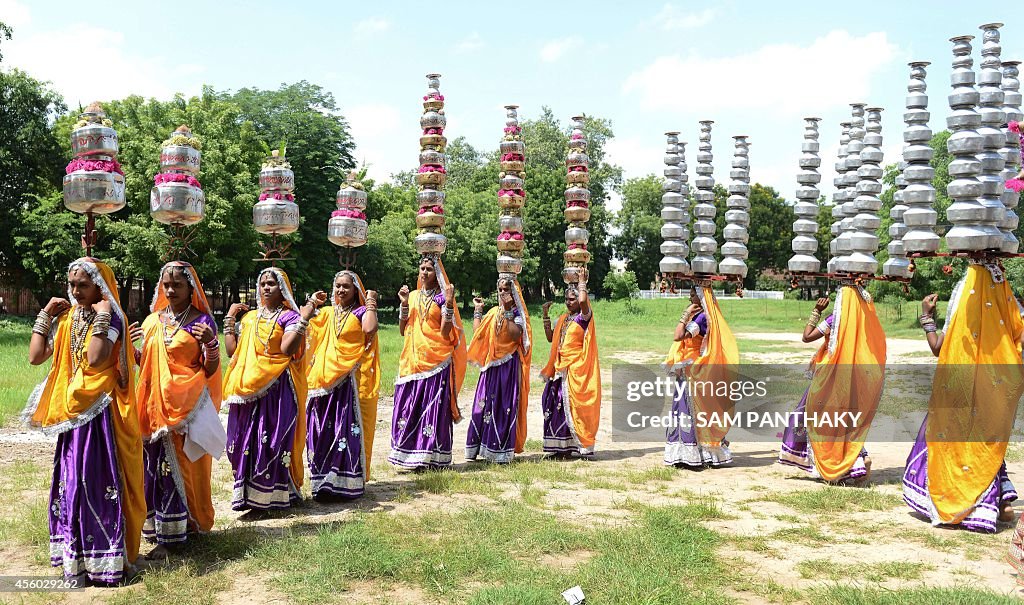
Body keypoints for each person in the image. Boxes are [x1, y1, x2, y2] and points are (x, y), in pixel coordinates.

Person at [25, 258, 145, 584]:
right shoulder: (67, 319)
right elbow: (36, 356)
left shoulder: (113, 318)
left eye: (84, 285)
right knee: (73, 483)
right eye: (73, 284)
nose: (76, 291)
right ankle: (76, 558)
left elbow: (95, 357)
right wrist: (46, 314)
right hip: (73, 416)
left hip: (101, 415)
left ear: (99, 286)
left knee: (98, 483)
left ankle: (108, 559)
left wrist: (105, 313)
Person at [905, 262, 1023, 532]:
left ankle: (968, 502)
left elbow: (937, 347)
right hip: (992, 394)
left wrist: (926, 317)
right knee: (983, 444)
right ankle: (997, 500)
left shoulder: (963, 307)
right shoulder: (1008, 309)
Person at [132, 261, 224, 559]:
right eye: (166, 285)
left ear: (191, 288)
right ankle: (159, 528)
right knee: (153, 468)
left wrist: (210, 343)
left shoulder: (202, 321)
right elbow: (146, 365)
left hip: (186, 407)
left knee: (182, 467)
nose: (170, 290)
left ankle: (181, 532)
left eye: (178, 285)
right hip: (153, 407)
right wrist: (133, 350)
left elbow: (210, 369)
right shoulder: (151, 322)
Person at [222, 267, 323, 511]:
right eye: (263, 283)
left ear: (283, 289)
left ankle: (276, 496)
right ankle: (247, 494)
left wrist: (304, 317)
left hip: (277, 389)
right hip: (247, 390)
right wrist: (229, 318)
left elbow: (287, 350)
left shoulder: (289, 317)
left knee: (274, 440)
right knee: (244, 441)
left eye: (272, 284)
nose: (266, 287)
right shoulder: (249, 319)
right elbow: (231, 352)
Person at [782, 283, 884, 484]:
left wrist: (816, 311)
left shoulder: (834, 320)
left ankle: (832, 465)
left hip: (830, 377)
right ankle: (858, 459)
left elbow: (807, 337)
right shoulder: (866, 318)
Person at [305, 270, 380, 499]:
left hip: (346, 382)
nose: (341, 290)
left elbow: (369, 329)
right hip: (321, 381)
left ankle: (345, 481)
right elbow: (303, 319)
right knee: (319, 432)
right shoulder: (326, 312)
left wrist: (370, 302)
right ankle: (322, 481)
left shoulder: (359, 312)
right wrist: (311, 302)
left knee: (344, 432)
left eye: (346, 286)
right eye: (338, 285)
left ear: (355, 289)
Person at [389, 256, 467, 469]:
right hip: (411, 361)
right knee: (409, 407)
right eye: (422, 268)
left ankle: (432, 456)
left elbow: (445, 331)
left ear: (438, 274)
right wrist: (404, 304)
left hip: (436, 361)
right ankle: (408, 454)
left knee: (432, 410)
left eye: (429, 269)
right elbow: (402, 329)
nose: (424, 273)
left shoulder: (442, 298)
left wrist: (450, 303)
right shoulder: (413, 296)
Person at [663, 285, 738, 468]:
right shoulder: (700, 317)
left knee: (693, 411)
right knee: (688, 410)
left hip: (695, 369)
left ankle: (699, 454)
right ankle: (690, 453)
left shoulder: (703, 317)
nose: (690, 299)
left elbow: (678, 335)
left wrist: (685, 313)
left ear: (701, 298)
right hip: (688, 368)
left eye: (692, 296)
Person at [466, 277, 532, 463]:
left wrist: (510, 310)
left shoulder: (517, 313)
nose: (503, 293)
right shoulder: (494, 312)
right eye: (500, 289)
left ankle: (500, 450)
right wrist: (478, 311)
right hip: (490, 366)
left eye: (507, 290)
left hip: (508, 366)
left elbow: (515, 334)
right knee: (483, 406)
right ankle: (480, 447)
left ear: (515, 293)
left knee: (503, 407)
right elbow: (479, 333)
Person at [540, 269, 600, 458]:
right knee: (555, 405)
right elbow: (551, 338)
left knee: (574, 408)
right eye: (566, 299)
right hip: (560, 368)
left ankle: (578, 445)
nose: (569, 302)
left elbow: (583, 301)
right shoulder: (564, 318)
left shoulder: (584, 318)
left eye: (572, 299)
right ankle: (559, 446)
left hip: (575, 369)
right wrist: (545, 315)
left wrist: (581, 281)